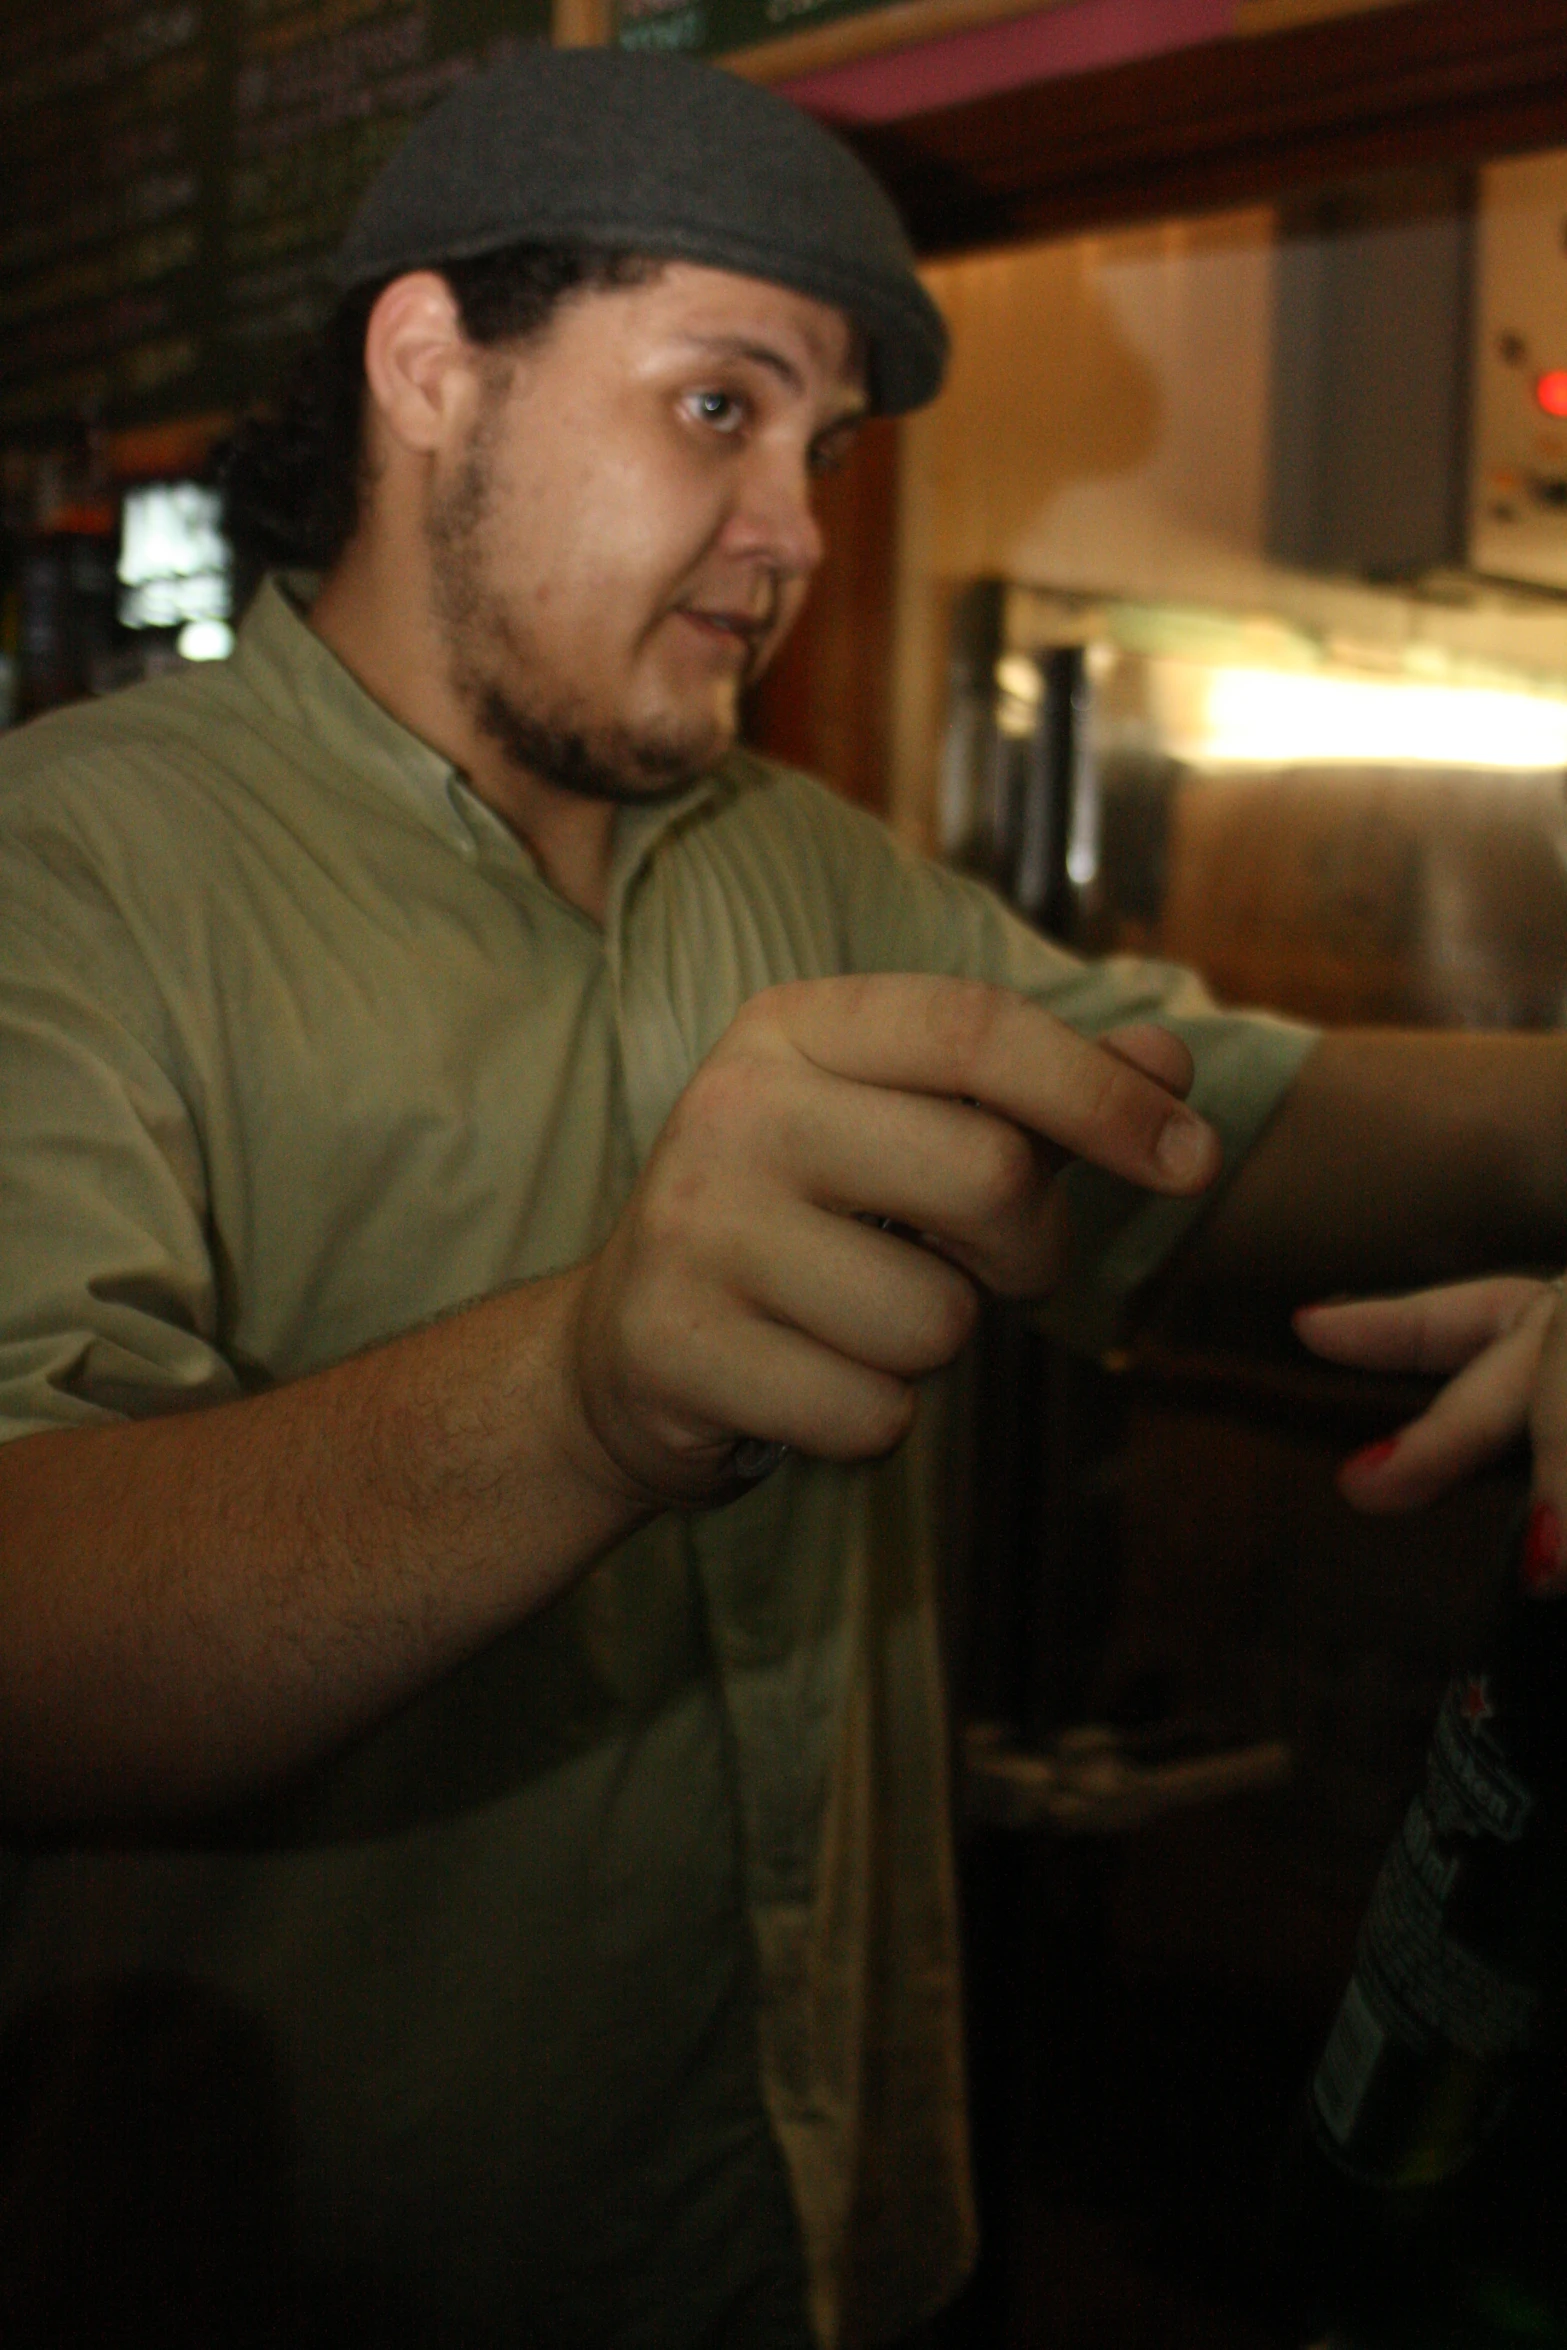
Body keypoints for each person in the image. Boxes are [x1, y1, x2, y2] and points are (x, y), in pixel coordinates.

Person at [2, 45, 1567, 2350]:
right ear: (433, 368)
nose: (802, 531)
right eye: (719, 409)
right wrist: (584, 1394)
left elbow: (1221, 1118)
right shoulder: (78, 866)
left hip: (835, 2235)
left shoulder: (803, 867)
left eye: (823, 452)